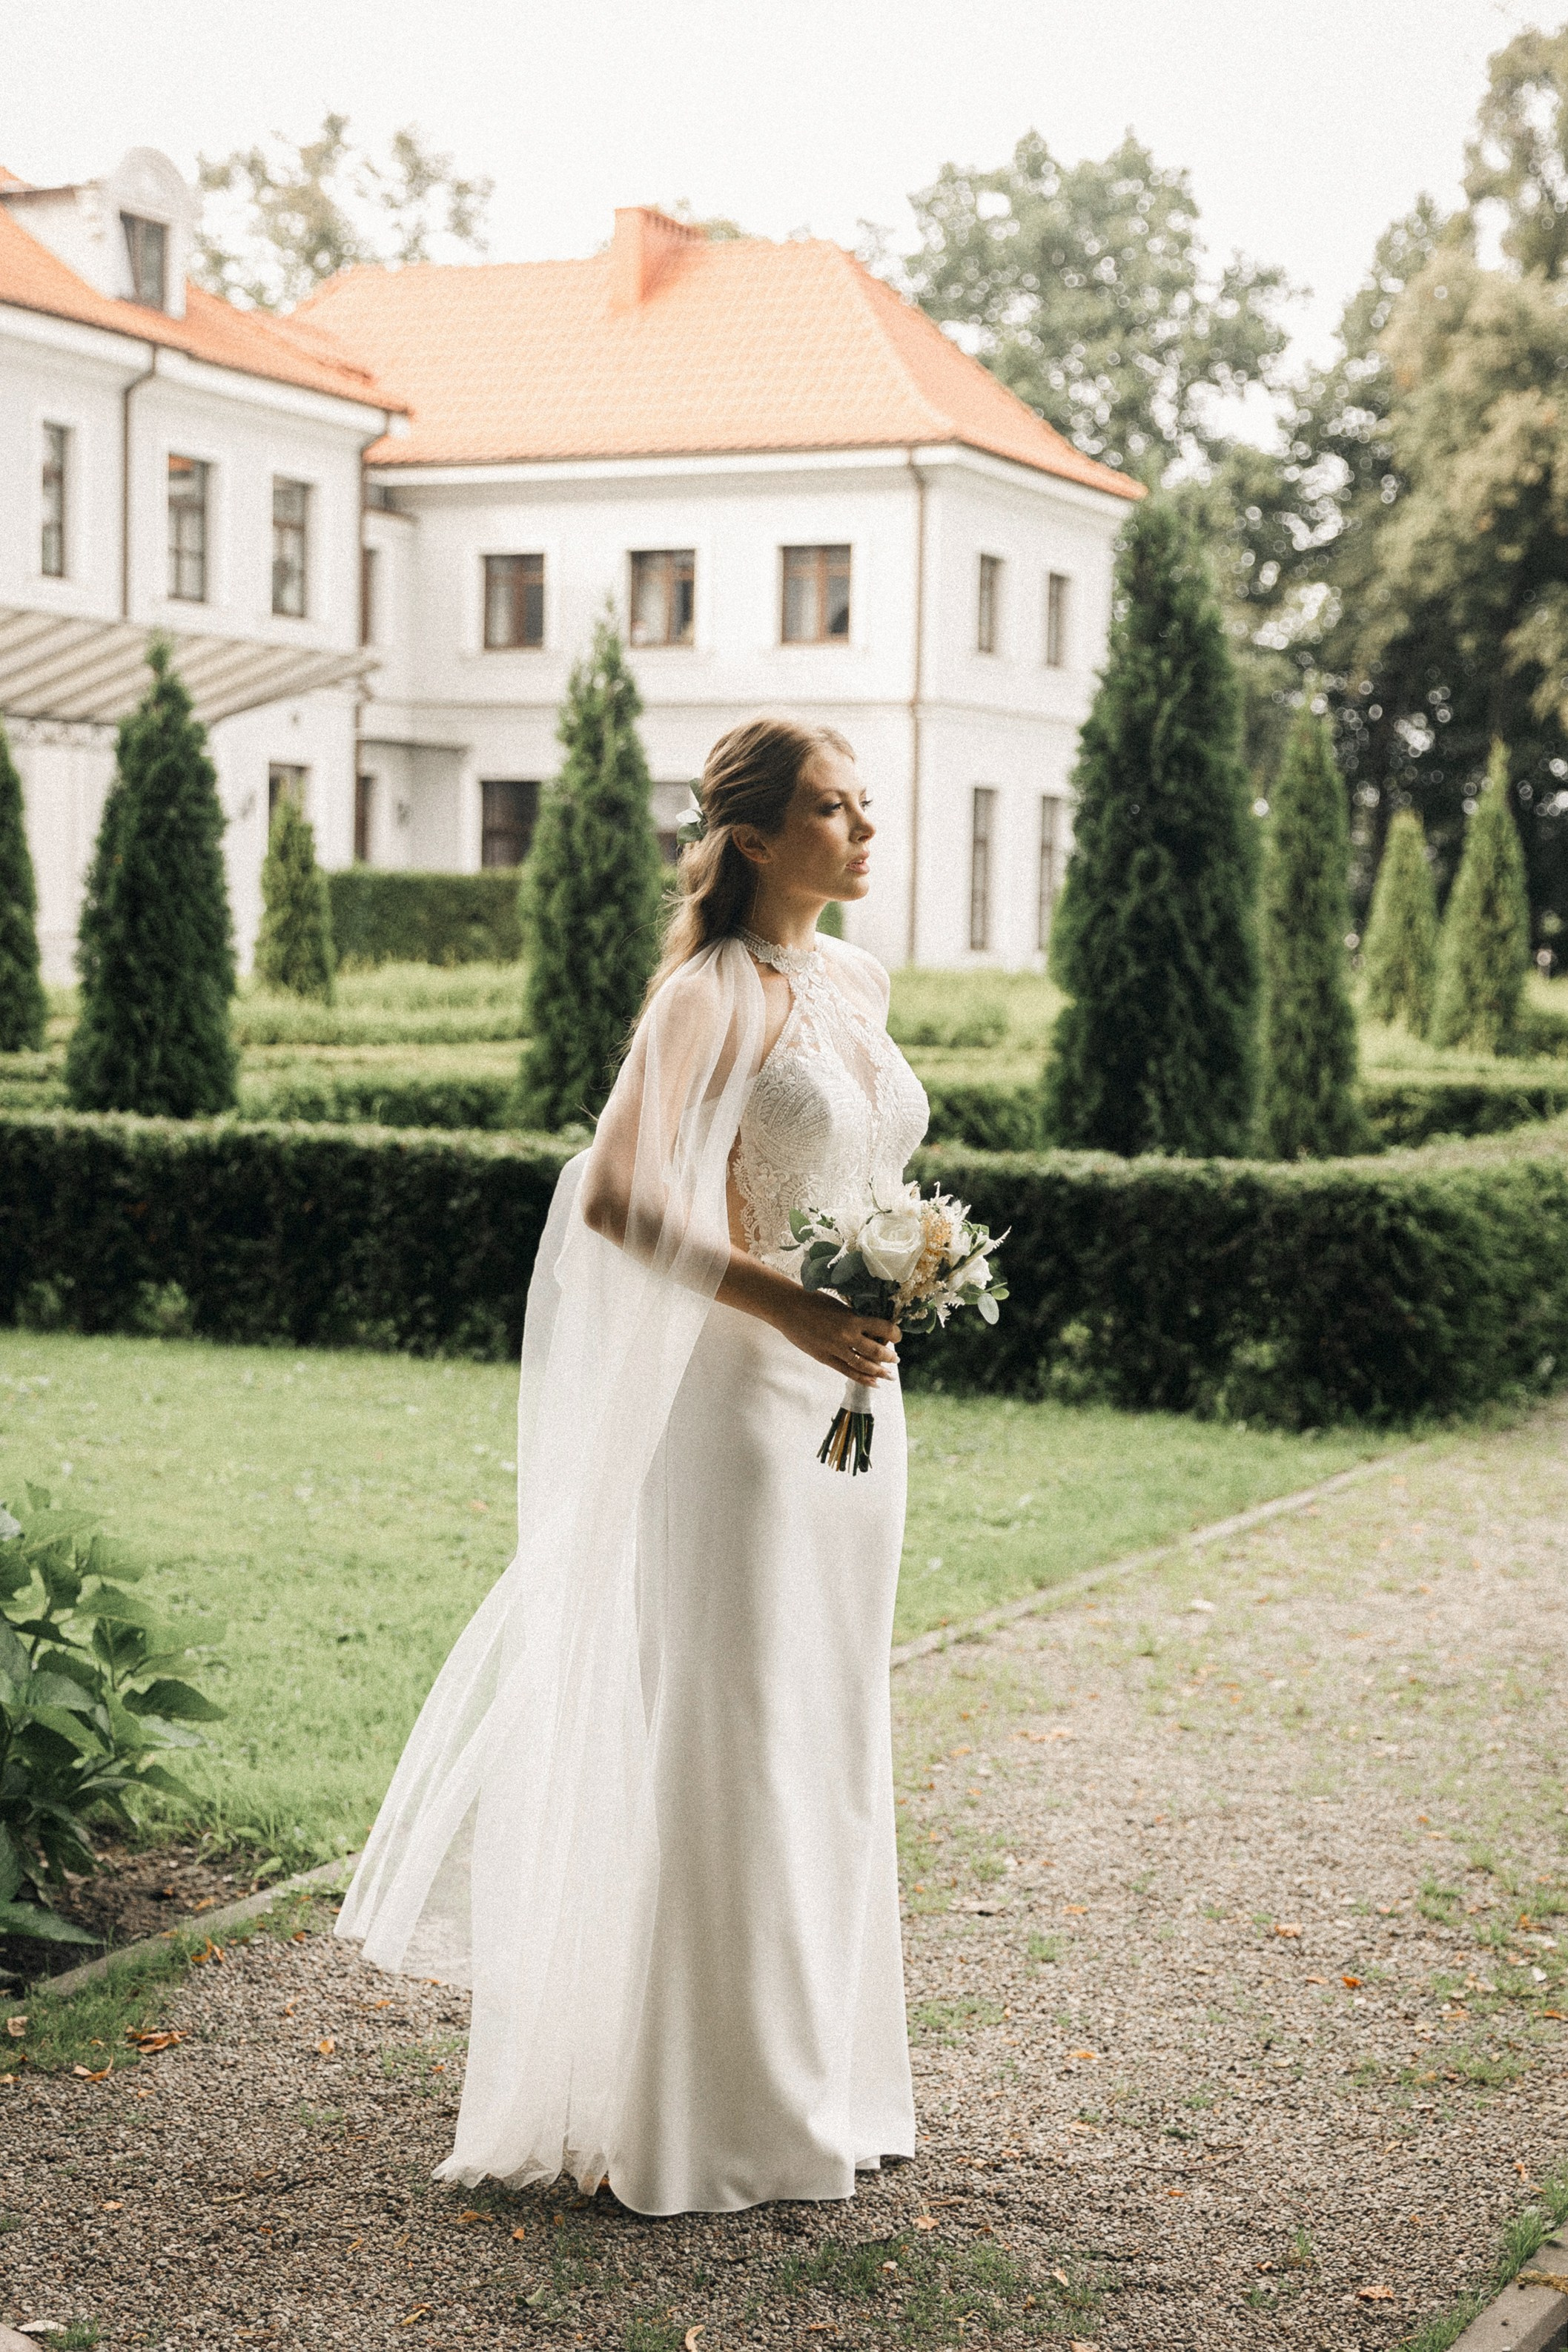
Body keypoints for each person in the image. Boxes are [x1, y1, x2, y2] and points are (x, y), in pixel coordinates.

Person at [337, 716, 930, 2216]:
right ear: (751, 837)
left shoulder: (855, 981)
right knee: (739, 1732)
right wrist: (789, 1302)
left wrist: (898, 1273)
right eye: (832, 808)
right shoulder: (705, 994)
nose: (863, 827)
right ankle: (711, 2111)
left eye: (866, 803)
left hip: (855, 1404)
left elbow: (857, 1174)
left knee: (830, 1733)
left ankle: (827, 2080)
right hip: (735, 1407)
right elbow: (610, 1195)